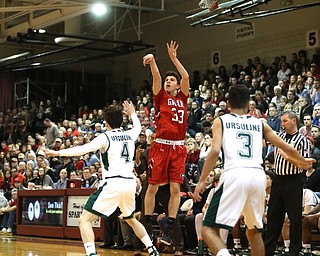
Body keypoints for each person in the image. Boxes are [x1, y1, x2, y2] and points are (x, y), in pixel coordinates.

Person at [193, 85, 314, 256]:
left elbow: (213, 151)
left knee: (208, 229)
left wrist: (201, 181)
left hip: (235, 173)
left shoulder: (221, 120)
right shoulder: (259, 123)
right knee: (254, 231)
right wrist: (303, 162)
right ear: (249, 104)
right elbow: (288, 147)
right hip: (258, 177)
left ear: (228, 103)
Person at [43, 101, 159, 256]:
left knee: (84, 220)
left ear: (106, 122)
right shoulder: (130, 134)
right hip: (130, 183)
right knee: (130, 218)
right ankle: (152, 249)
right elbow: (137, 126)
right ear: (121, 120)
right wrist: (132, 113)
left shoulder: (105, 137)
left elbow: (82, 149)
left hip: (113, 182)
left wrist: (57, 153)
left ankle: (91, 254)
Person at [142, 40, 189, 241]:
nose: (168, 81)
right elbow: (157, 76)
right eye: (167, 79)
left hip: (178, 147)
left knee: (175, 188)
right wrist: (153, 61)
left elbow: (185, 75)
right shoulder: (160, 97)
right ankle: (145, 219)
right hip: (161, 146)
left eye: (172, 80)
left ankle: (170, 221)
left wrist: (174, 59)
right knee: (152, 187)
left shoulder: (183, 98)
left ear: (178, 85)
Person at [265, 111, 313, 256]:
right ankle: (268, 251)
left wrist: (287, 155)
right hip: (278, 179)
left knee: (294, 217)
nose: (283, 124)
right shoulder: (279, 137)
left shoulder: (303, 140)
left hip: (293, 180)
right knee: (273, 216)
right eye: (282, 121)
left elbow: (304, 165)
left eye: (285, 121)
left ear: (294, 121)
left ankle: (294, 251)